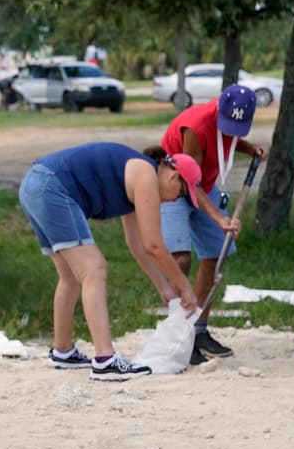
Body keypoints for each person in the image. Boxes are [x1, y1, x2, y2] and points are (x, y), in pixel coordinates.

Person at [18, 143, 200, 381]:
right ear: (174, 176)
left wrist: (165, 288)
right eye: (182, 193)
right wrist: (184, 285)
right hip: (53, 186)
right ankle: (105, 360)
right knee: (94, 268)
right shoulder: (146, 175)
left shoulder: (139, 175)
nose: (176, 200)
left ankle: (63, 351)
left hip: (34, 184)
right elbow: (154, 245)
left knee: (71, 276)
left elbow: (137, 244)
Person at [159, 83, 266, 364]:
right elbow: (189, 180)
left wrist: (248, 148)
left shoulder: (228, 122)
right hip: (176, 188)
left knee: (215, 255)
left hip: (204, 187)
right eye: (228, 123)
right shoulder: (194, 127)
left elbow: (226, 138)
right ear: (220, 107)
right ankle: (178, 334)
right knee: (179, 259)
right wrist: (218, 217)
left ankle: (199, 330)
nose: (231, 129)